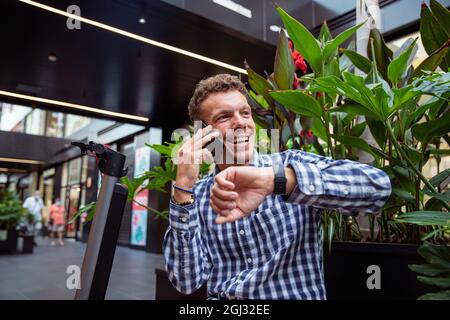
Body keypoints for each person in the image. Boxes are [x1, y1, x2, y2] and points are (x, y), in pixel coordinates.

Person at [163, 74, 392, 300]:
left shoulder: (290, 165)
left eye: (245, 113)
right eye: (224, 117)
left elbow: (377, 187)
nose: (241, 122)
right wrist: (183, 187)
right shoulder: (198, 195)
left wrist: (277, 181)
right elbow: (186, 281)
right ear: (203, 134)